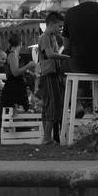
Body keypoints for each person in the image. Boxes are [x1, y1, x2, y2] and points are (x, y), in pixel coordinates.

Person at [37, 12, 68, 144]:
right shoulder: (45, 37)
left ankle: (47, 137)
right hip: (48, 75)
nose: (61, 29)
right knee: (52, 106)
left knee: (49, 105)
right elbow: (49, 54)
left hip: (53, 74)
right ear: (51, 24)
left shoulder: (53, 37)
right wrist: (66, 57)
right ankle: (46, 137)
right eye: (59, 26)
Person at [2, 34, 35, 111]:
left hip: (16, 87)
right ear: (19, 44)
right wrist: (28, 65)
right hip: (14, 89)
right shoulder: (13, 55)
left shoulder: (15, 55)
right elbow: (15, 73)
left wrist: (29, 72)